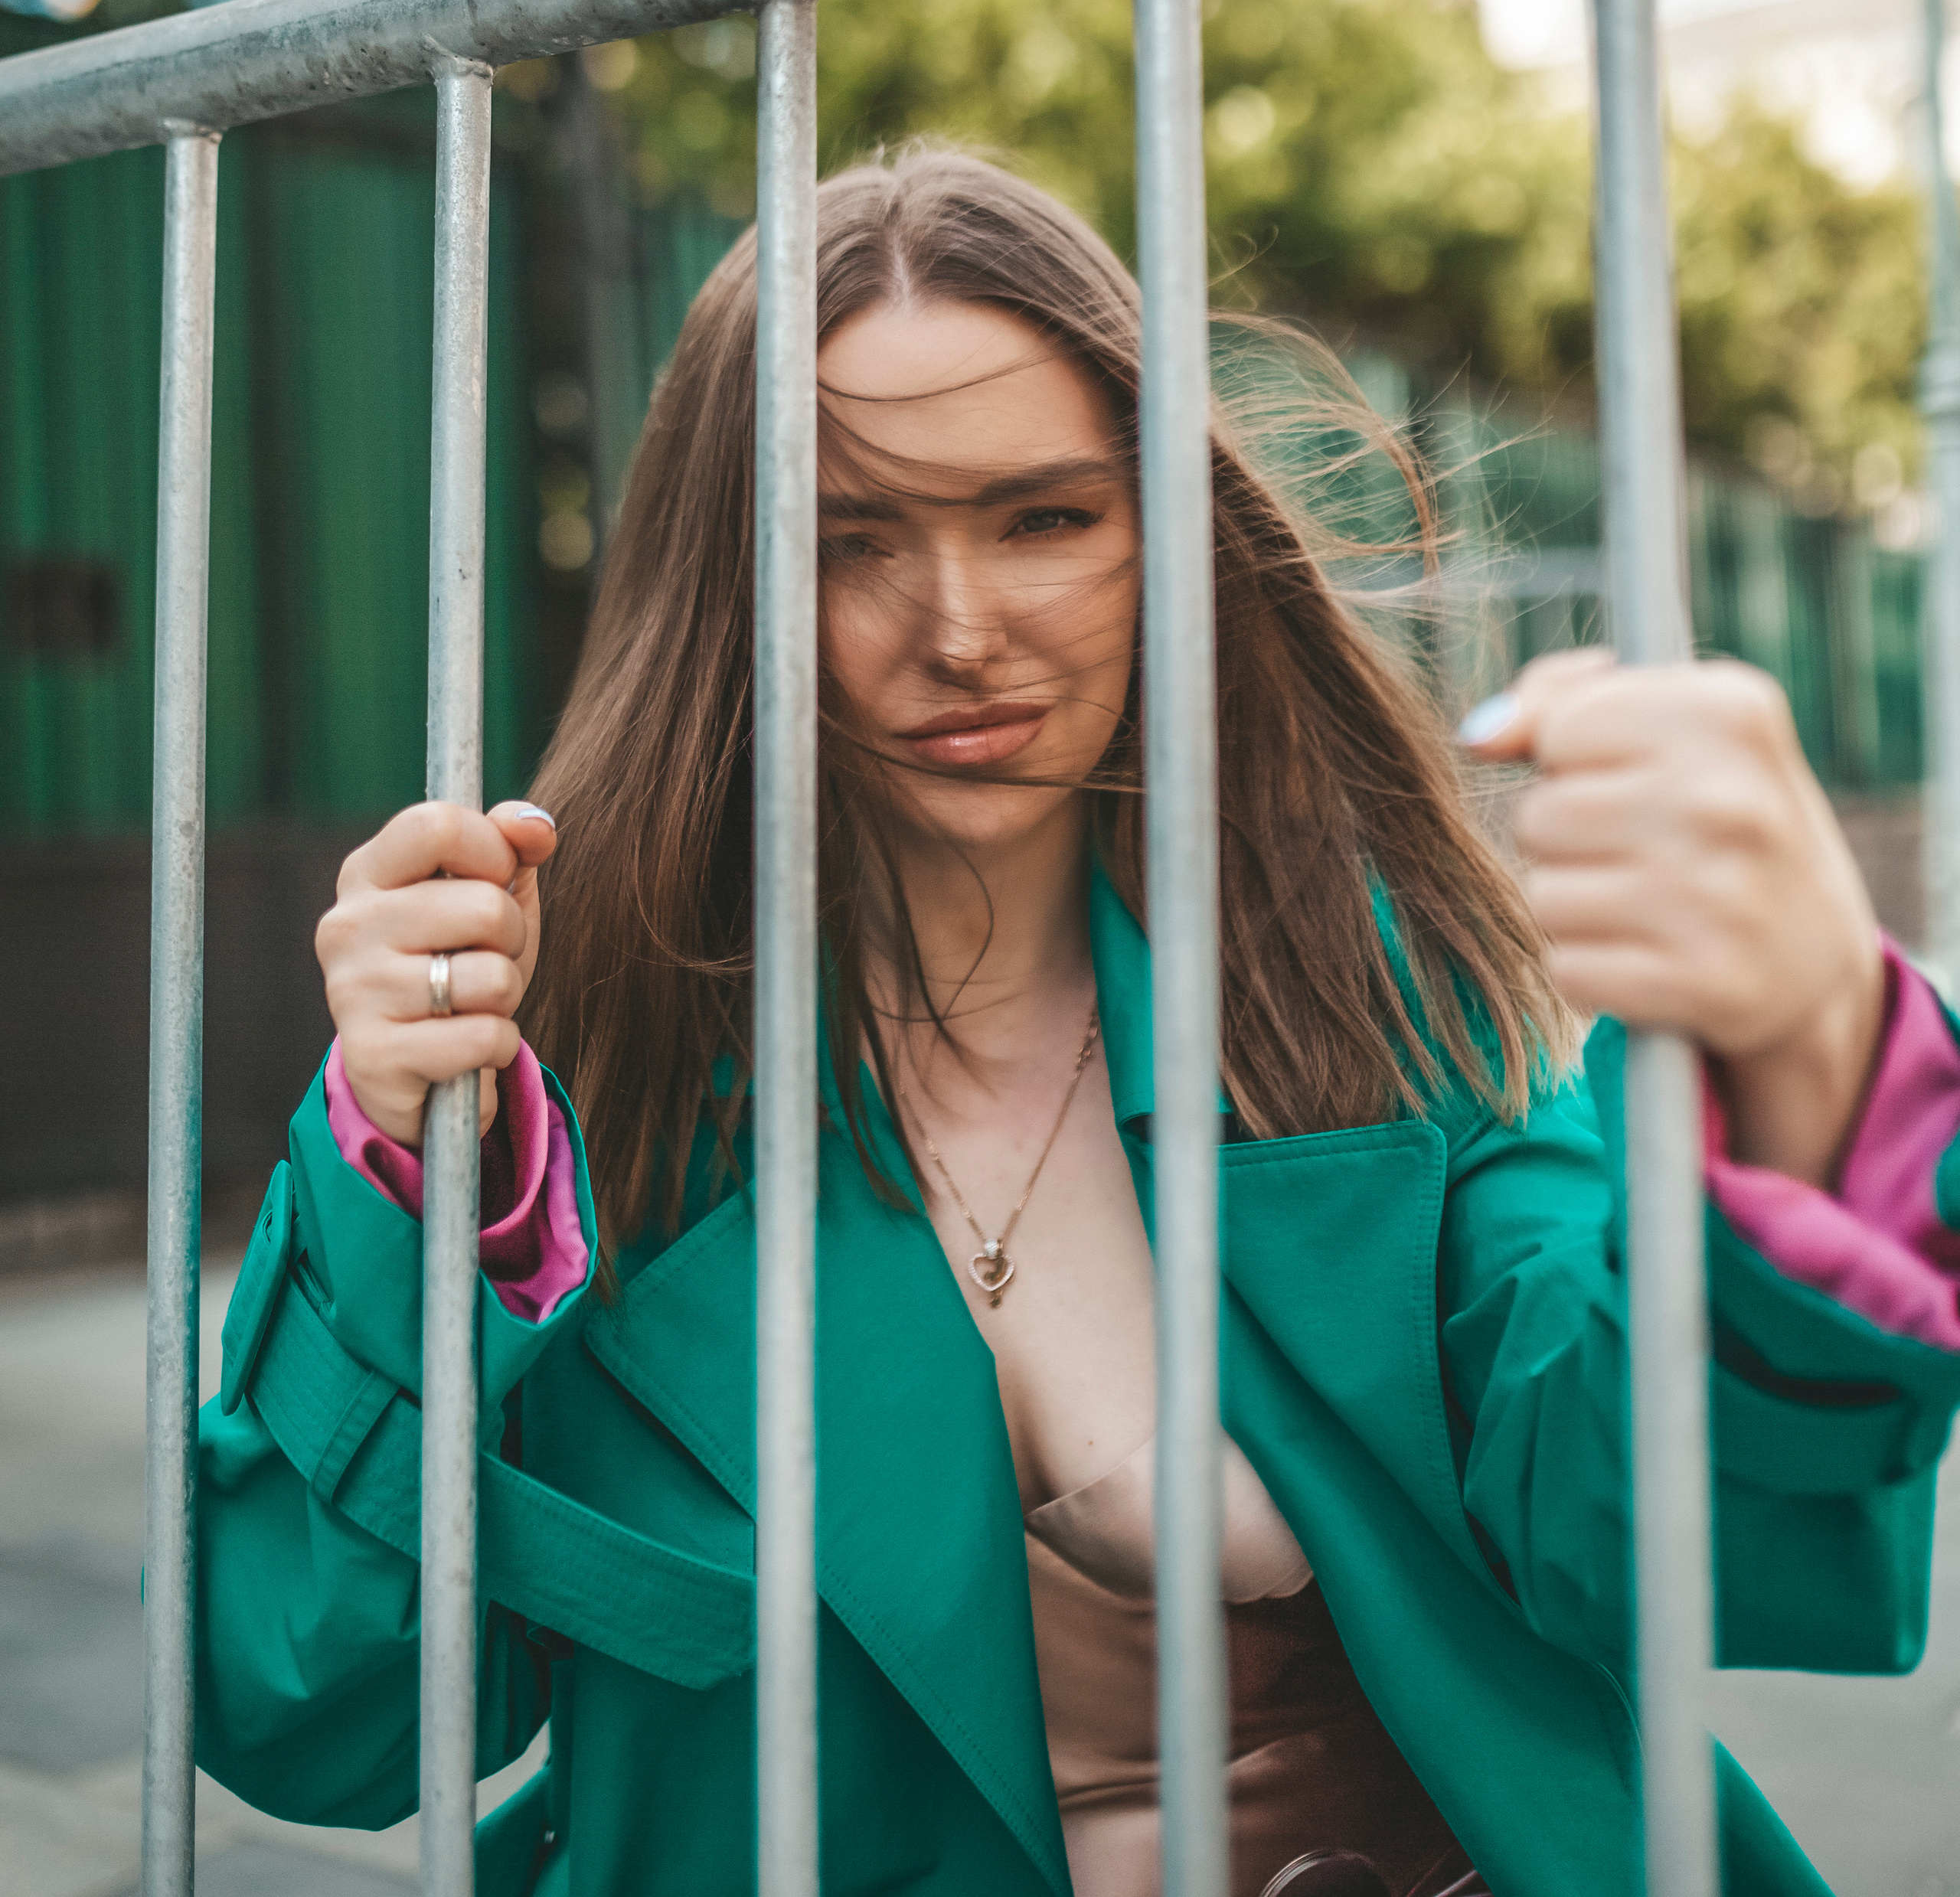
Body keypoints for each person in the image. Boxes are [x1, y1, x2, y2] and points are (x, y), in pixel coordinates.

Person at [194, 151, 1960, 1897]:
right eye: (851, 538)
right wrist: (404, 1174)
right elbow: (312, 1720)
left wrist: (1808, 1059)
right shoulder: (572, 1105)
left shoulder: (1360, 1005)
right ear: (724, 588)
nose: (960, 633)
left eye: (1043, 516)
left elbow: (1672, 1526)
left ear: (1163, 534)